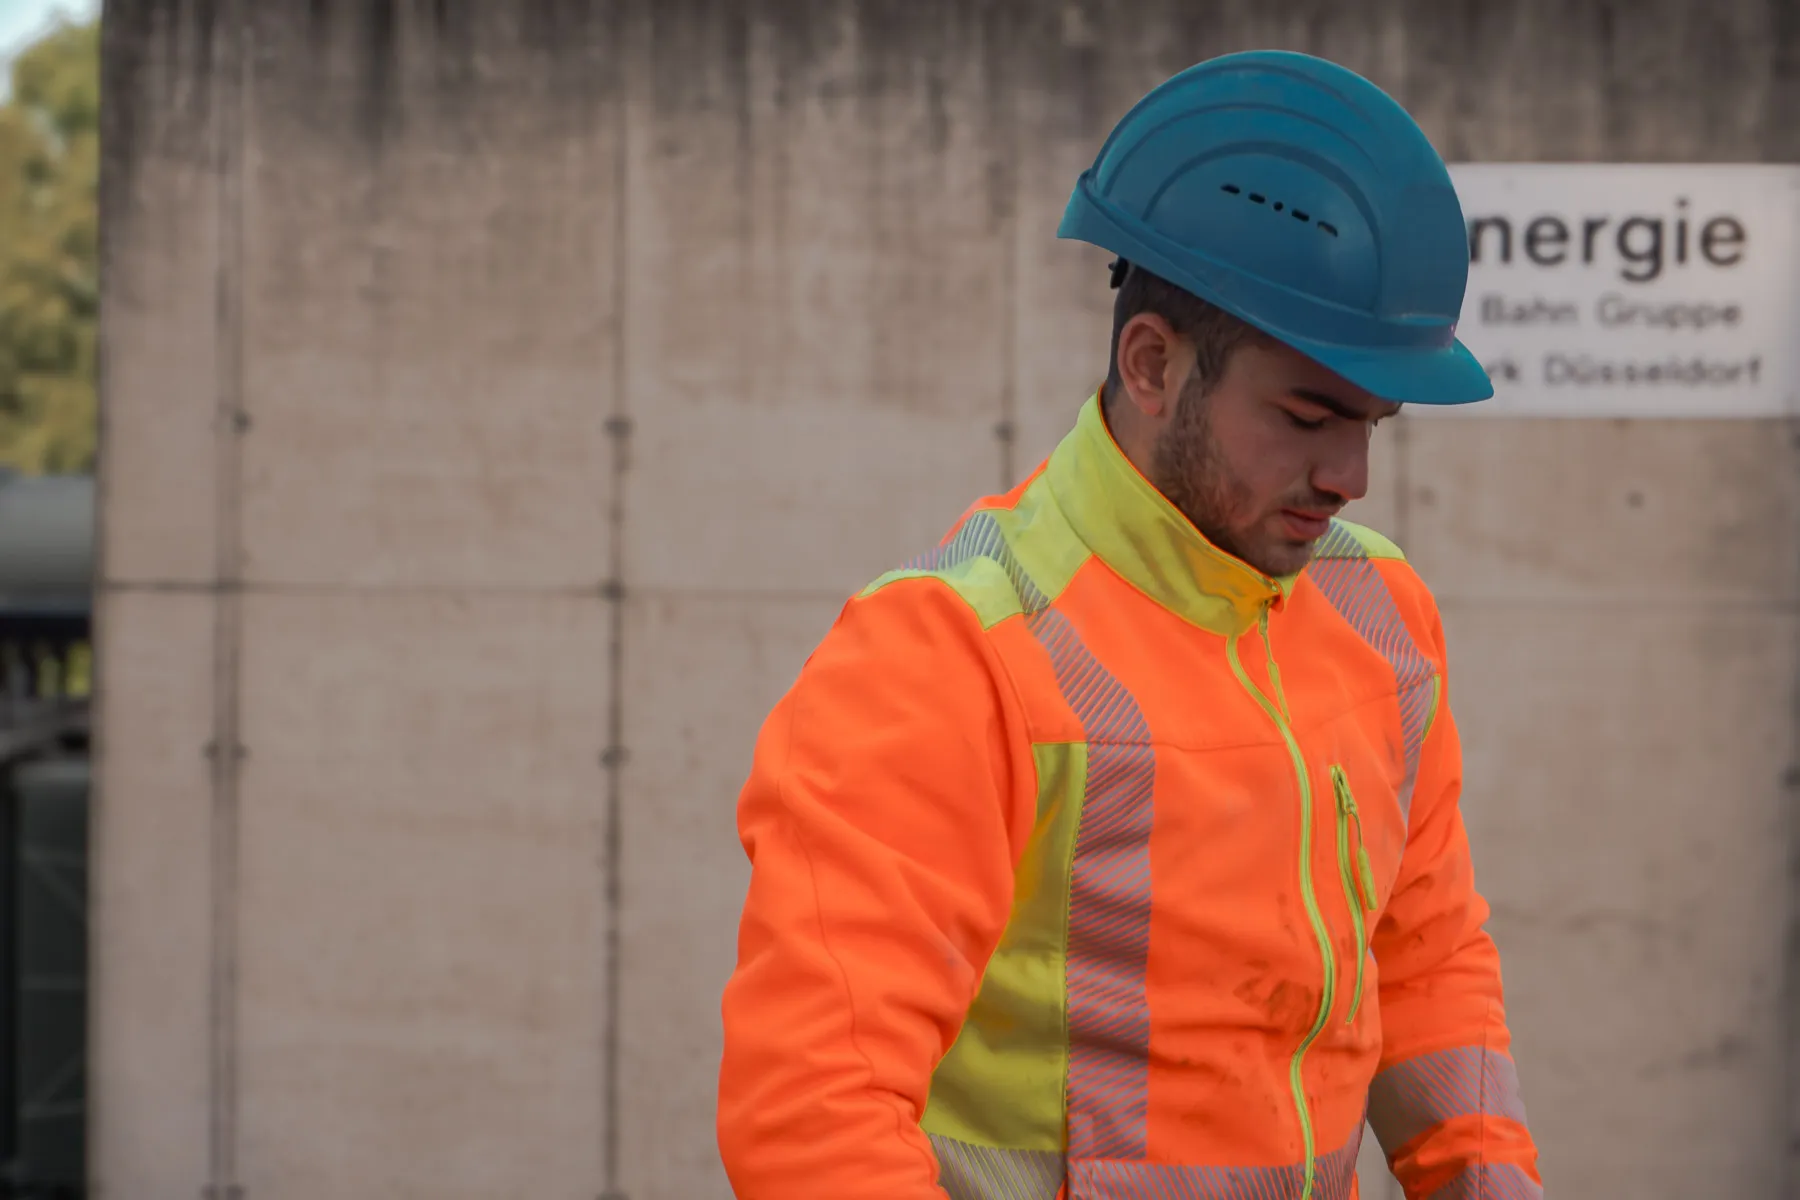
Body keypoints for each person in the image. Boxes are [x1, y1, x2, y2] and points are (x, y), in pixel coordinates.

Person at [716, 49, 1544, 1200]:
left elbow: (1422, 955)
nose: (1350, 473)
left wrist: (1484, 1175)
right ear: (1152, 364)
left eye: (1375, 423)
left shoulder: (1379, 611)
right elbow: (816, 1111)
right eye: (1307, 415)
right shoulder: (949, 653)